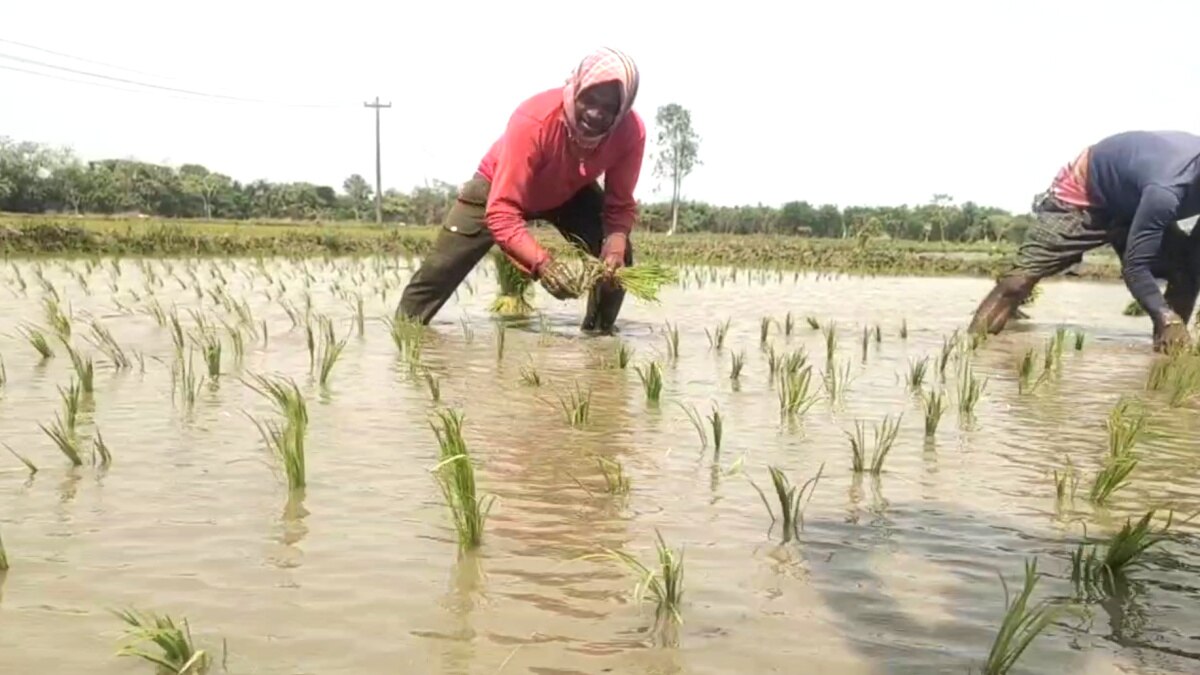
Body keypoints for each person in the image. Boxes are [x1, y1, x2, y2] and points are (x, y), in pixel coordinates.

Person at [397, 47, 645, 334]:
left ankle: (599, 339)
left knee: (619, 265)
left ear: (623, 107)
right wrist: (544, 264)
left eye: (609, 107)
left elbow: (619, 204)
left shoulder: (630, 132)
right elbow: (502, 212)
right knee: (437, 274)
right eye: (589, 99)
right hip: (498, 187)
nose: (595, 113)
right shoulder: (535, 119)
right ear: (576, 89)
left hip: (568, 191)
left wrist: (614, 247)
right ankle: (403, 334)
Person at [969, 130, 1200, 352]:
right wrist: (1164, 315)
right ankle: (972, 354)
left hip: (1134, 198)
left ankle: (1166, 362)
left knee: (1186, 274)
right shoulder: (1167, 189)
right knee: (1018, 282)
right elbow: (1135, 266)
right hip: (1086, 191)